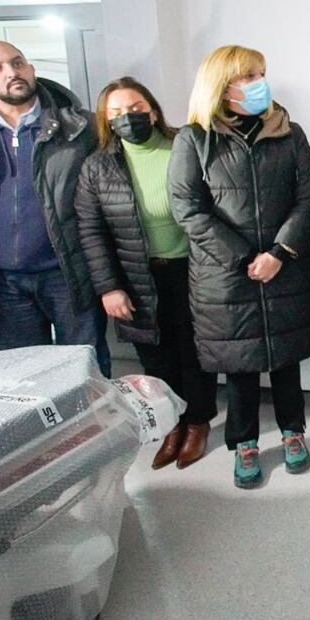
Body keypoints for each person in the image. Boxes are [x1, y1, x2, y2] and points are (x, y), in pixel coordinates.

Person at [169, 45, 310, 489]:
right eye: (249, 75)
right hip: (225, 275)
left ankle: (294, 433)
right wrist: (244, 258)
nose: (260, 82)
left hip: (286, 265)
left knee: (286, 357)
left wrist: (279, 253)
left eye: (262, 73)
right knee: (239, 363)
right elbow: (187, 208)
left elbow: (307, 197)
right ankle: (245, 444)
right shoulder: (193, 139)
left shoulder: (289, 133)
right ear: (222, 85)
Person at [77, 77, 218, 470]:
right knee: (155, 356)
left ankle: (198, 423)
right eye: (116, 113)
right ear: (106, 120)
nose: (128, 117)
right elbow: (90, 229)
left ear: (152, 109)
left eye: (135, 108)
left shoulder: (184, 147)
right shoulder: (97, 166)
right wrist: (109, 287)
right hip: (136, 276)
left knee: (196, 352)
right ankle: (172, 423)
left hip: (192, 270)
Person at [0, 40, 103, 368]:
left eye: (17, 62)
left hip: (68, 275)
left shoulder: (80, 127)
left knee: (86, 374)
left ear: (31, 69)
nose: (12, 72)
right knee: (26, 378)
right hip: (2, 283)